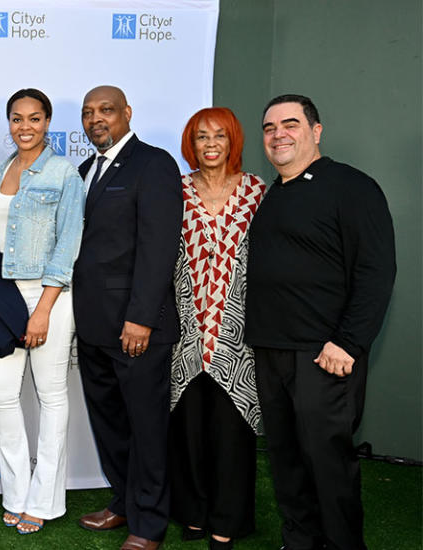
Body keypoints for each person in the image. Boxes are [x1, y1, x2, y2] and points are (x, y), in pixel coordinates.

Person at [246, 94, 396, 550]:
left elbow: (376, 271)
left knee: (327, 466)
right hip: (272, 352)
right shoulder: (275, 194)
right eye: (270, 128)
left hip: (325, 356)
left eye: (290, 124)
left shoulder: (352, 187)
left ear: (316, 130)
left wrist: (347, 343)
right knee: (288, 463)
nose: (278, 135)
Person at [72, 86, 182, 550]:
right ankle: (123, 502)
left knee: (147, 428)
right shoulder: (83, 170)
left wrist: (141, 319)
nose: (96, 119)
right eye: (88, 112)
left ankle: (150, 524)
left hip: (136, 328)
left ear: (127, 114)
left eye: (106, 110)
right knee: (110, 423)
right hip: (93, 325)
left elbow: (159, 249)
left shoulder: (153, 164)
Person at [0, 89, 83, 535]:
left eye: (35, 119)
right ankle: (15, 494)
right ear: (9, 123)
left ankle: (43, 500)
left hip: (48, 294)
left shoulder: (63, 173)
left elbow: (69, 242)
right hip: (1, 297)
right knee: (2, 396)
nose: (25, 127)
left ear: (48, 122)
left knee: (51, 396)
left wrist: (43, 309)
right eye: (17, 119)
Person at [169, 107, 267, 550]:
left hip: (238, 329)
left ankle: (227, 519)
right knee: (187, 427)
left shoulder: (256, 191)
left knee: (232, 430)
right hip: (186, 325)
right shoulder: (177, 190)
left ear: (233, 142)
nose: (211, 144)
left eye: (220, 136)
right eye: (202, 136)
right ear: (192, 142)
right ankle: (192, 513)